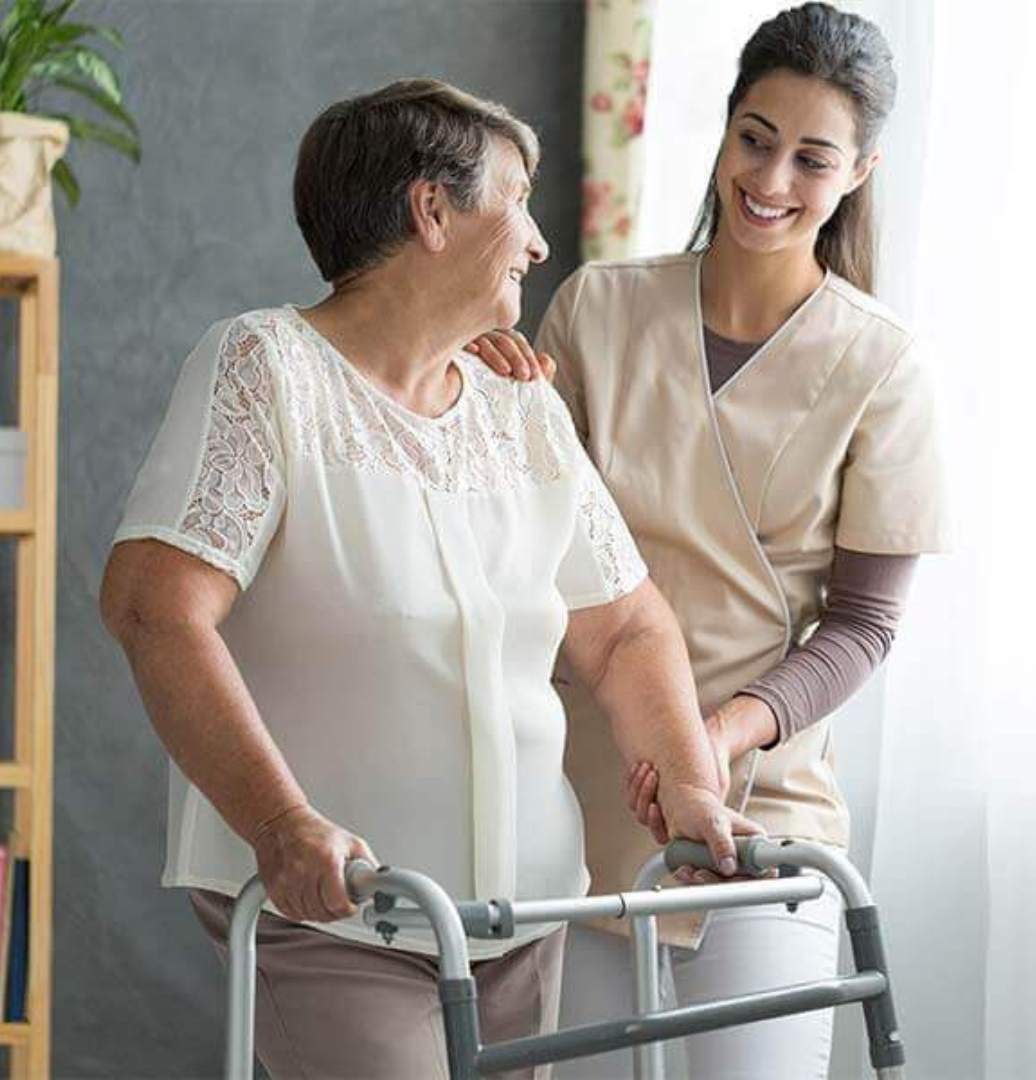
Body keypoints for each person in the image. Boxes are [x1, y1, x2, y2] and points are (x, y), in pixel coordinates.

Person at [99, 78, 764, 1080]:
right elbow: (154, 607)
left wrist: (690, 785)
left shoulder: (517, 403)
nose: (540, 245)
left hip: (523, 917)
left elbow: (625, 628)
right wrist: (282, 827)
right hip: (338, 914)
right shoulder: (267, 369)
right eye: (519, 204)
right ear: (433, 210)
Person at [468, 4, 950, 1077]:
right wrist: (486, 411)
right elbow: (522, 541)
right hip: (585, 809)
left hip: (763, 814)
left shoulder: (884, 367)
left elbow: (865, 626)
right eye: (755, 138)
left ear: (859, 172)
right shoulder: (596, 310)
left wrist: (726, 732)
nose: (772, 179)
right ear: (725, 129)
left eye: (812, 158)